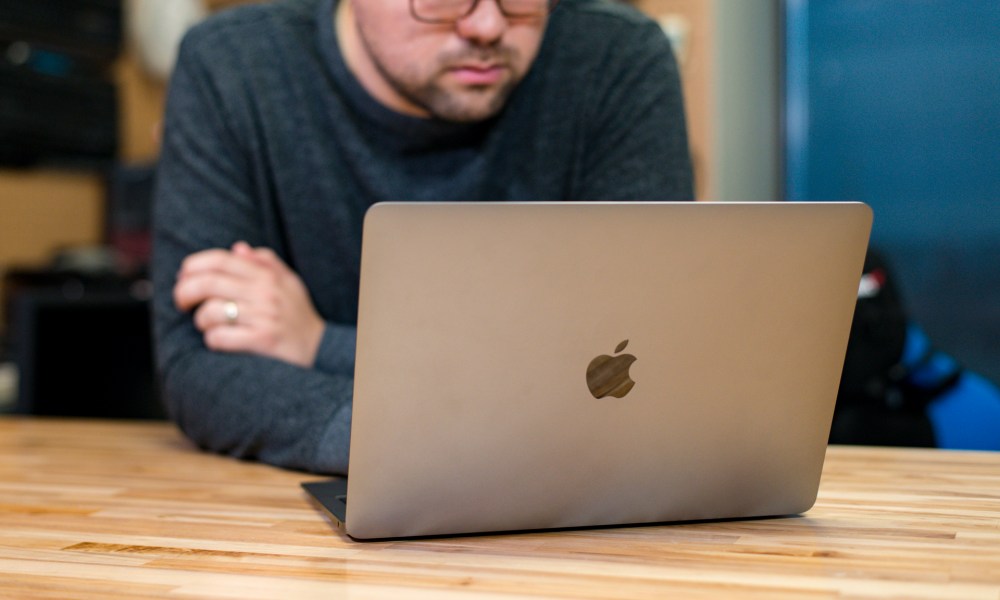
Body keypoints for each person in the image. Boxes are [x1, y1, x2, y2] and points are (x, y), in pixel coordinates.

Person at [152, 0, 694, 474]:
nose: (486, 25)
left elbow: (629, 364)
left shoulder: (618, 60)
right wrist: (438, 439)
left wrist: (321, 344)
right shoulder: (233, 66)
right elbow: (199, 370)